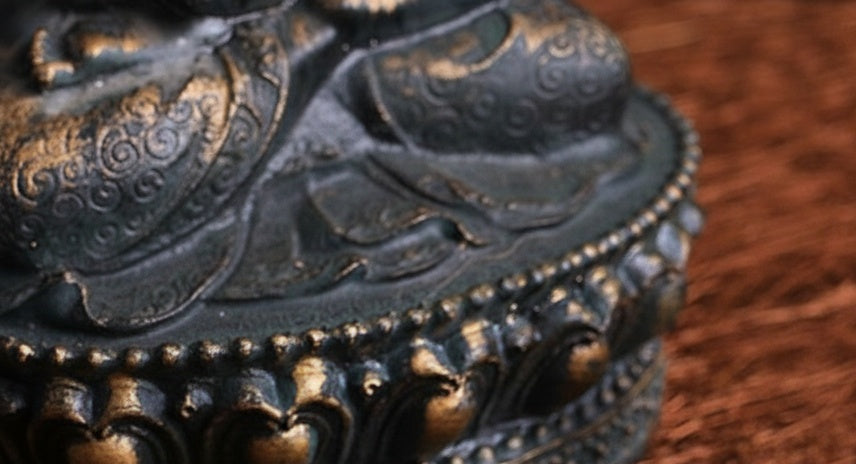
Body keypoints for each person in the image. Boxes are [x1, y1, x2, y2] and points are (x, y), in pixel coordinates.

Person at [0, 0, 633, 332]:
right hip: (135, 59)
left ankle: (318, 75)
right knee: (33, 186)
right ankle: (314, 61)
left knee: (581, 63)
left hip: (361, 39)